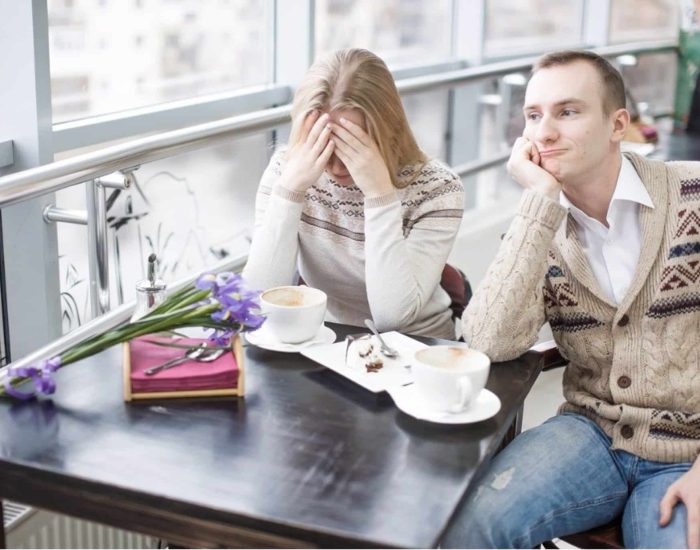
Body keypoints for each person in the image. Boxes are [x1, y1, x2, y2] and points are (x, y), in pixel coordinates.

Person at [443, 50, 700, 549]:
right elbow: (487, 341)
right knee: (467, 527)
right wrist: (539, 200)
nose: (544, 132)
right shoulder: (539, 229)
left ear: (617, 124)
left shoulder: (693, 194)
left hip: (688, 451)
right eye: (534, 116)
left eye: (568, 111)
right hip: (590, 436)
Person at [243, 48, 464, 339]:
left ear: (388, 129)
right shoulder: (289, 171)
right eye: (322, 143)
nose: (334, 165)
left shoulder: (437, 190)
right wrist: (290, 191)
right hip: (329, 341)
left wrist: (379, 195)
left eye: (351, 145)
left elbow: (392, 317)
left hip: (418, 345)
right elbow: (257, 302)